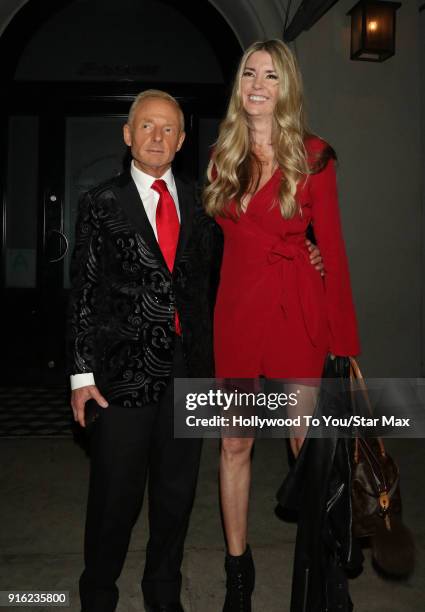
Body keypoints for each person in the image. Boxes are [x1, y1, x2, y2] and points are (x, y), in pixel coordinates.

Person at [203, 39, 360, 611]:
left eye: (271, 75)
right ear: (239, 84)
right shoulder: (222, 155)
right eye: (249, 72)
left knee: (308, 447)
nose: (258, 84)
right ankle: (237, 575)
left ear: (286, 86)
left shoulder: (315, 156)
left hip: (298, 310)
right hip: (238, 314)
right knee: (234, 444)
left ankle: (321, 574)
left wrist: (342, 344)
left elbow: (334, 251)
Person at [67, 89, 223, 612]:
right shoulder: (102, 203)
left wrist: (305, 251)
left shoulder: (205, 205)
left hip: (192, 373)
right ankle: (98, 594)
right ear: (128, 134)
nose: (157, 137)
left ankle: (162, 593)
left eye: (169, 129)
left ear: (181, 141)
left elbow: (229, 278)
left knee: (176, 497)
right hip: (123, 374)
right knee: (115, 499)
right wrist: (81, 376)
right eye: (147, 126)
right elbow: (85, 292)